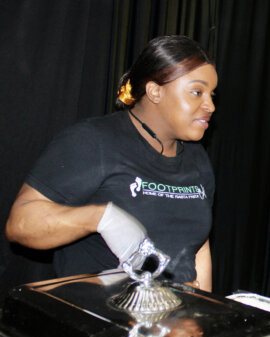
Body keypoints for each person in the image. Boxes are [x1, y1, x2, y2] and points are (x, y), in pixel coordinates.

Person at [5, 35, 217, 291]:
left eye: (211, 94)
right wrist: (101, 217)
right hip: (102, 320)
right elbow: (20, 225)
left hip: (175, 320)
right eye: (197, 92)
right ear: (155, 91)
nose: (210, 105)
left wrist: (204, 310)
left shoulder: (197, 157)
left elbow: (199, 247)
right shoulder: (94, 141)